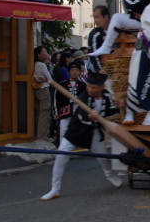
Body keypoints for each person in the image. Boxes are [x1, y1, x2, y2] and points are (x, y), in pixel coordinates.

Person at [40, 73, 124, 201]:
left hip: (94, 132)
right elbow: (81, 113)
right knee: (61, 156)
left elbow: (110, 110)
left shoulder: (106, 96)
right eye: (89, 86)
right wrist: (89, 116)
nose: (89, 89)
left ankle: (110, 176)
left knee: (103, 157)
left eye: (93, 87)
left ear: (101, 87)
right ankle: (55, 189)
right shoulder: (84, 96)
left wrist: (119, 106)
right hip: (75, 131)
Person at [52, 63, 86, 143]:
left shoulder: (83, 85)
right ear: (69, 72)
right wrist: (55, 112)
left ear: (79, 72)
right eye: (72, 70)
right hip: (65, 113)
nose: (74, 72)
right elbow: (56, 98)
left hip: (79, 114)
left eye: (76, 70)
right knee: (63, 132)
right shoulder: (62, 85)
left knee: (78, 133)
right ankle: (63, 149)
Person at [33, 46, 52, 141]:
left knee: (39, 113)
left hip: (37, 90)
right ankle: (43, 137)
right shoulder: (41, 65)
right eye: (44, 52)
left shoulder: (34, 64)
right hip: (44, 90)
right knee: (44, 114)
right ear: (39, 54)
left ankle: (39, 135)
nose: (46, 53)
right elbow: (50, 79)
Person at [88, 5, 110, 74]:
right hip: (100, 74)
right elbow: (93, 54)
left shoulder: (117, 30)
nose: (95, 20)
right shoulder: (95, 34)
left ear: (106, 17)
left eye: (97, 17)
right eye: (94, 17)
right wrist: (99, 70)